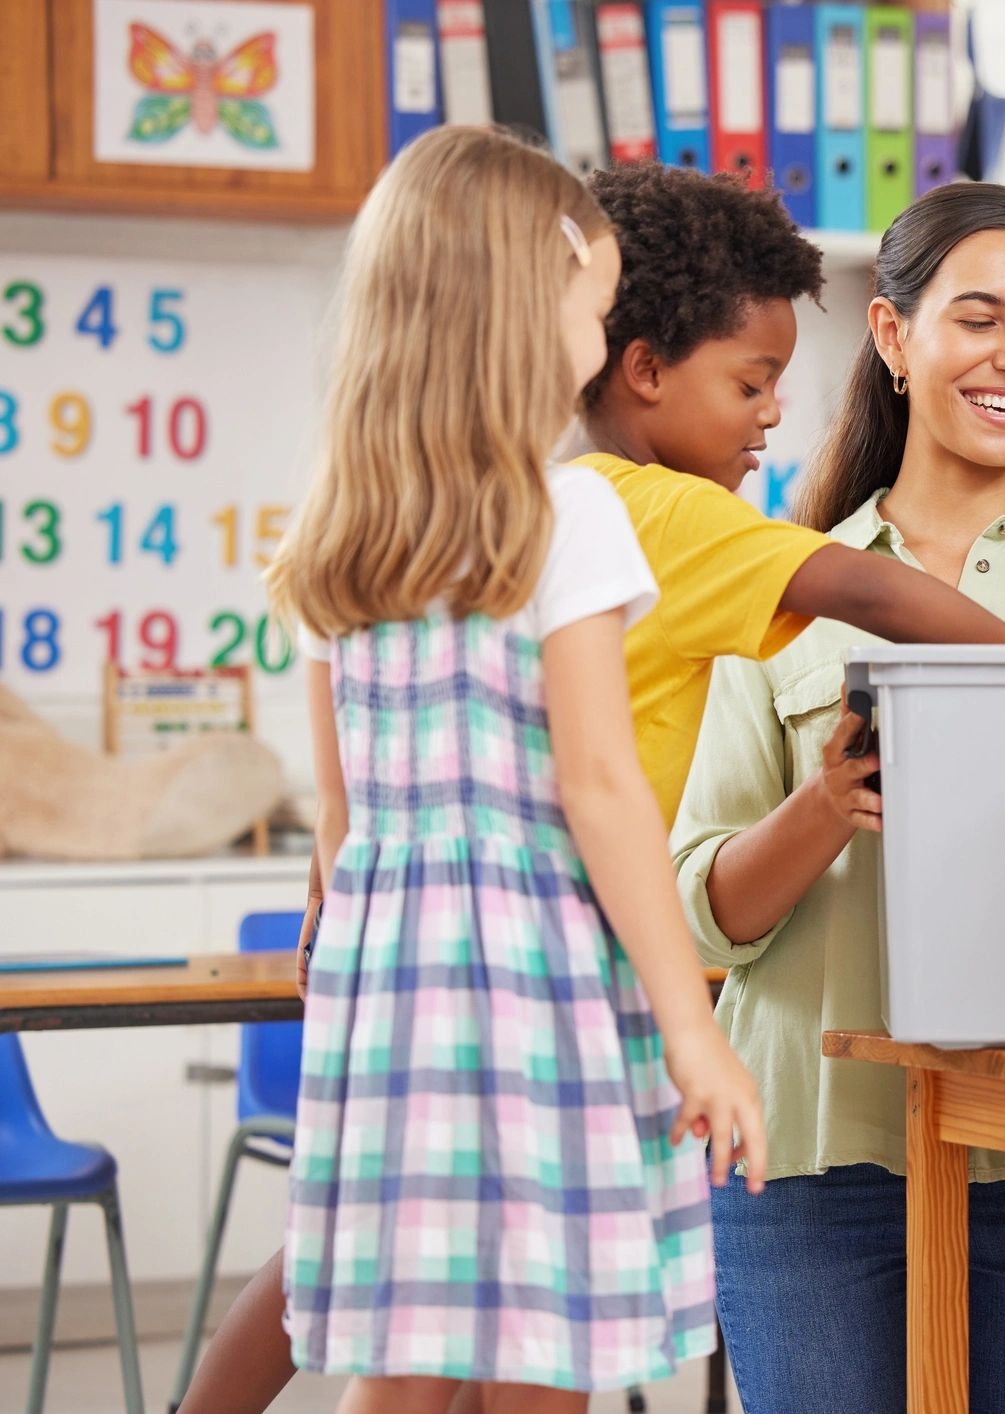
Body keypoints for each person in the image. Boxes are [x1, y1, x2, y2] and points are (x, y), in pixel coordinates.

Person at [668, 182, 1005, 1413]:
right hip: (808, 1156)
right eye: (978, 318)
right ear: (893, 336)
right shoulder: (776, 587)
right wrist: (824, 805)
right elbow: (704, 915)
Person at [263, 126, 759, 1413]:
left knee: (407, 1347)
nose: (596, 346)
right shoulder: (563, 513)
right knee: (545, 1342)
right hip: (535, 984)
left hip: (392, 992)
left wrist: (355, 965)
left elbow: (341, 824)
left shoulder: (332, 529)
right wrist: (691, 1029)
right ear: (518, 312)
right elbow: (598, 789)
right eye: (591, 312)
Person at [570, 161, 1005, 825]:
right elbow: (868, 590)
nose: (771, 413)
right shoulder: (664, 511)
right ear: (647, 369)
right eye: (750, 386)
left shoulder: (551, 497)